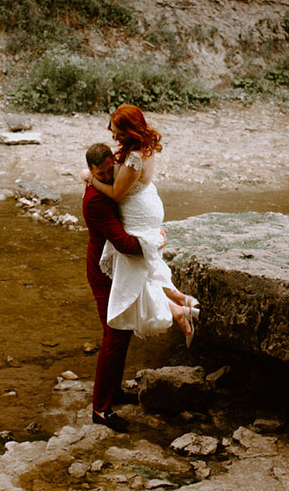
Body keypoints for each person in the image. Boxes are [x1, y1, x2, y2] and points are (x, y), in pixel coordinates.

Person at [82, 104, 200, 345]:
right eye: (112, 132)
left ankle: (178, 310)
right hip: (147, 205)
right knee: (141, 268)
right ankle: (181, 301)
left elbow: (115, 193)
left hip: (139, 213)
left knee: (131, 271)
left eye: (119, 133)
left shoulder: (135, 157)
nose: (114, 137)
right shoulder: (143, 147)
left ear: (132, 130)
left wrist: (92, 179)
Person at [82, 142, 146, 432]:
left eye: (110, 171)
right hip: (102, 271)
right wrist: (154, 240)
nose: (108, 178)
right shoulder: (95, 200)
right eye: (102, 174)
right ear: (93, 170)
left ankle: (114, 391)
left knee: (123, 331)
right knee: (114, 334)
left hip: (114, 269)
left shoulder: (107, 183)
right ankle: (101, 409)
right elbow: (124, 243)